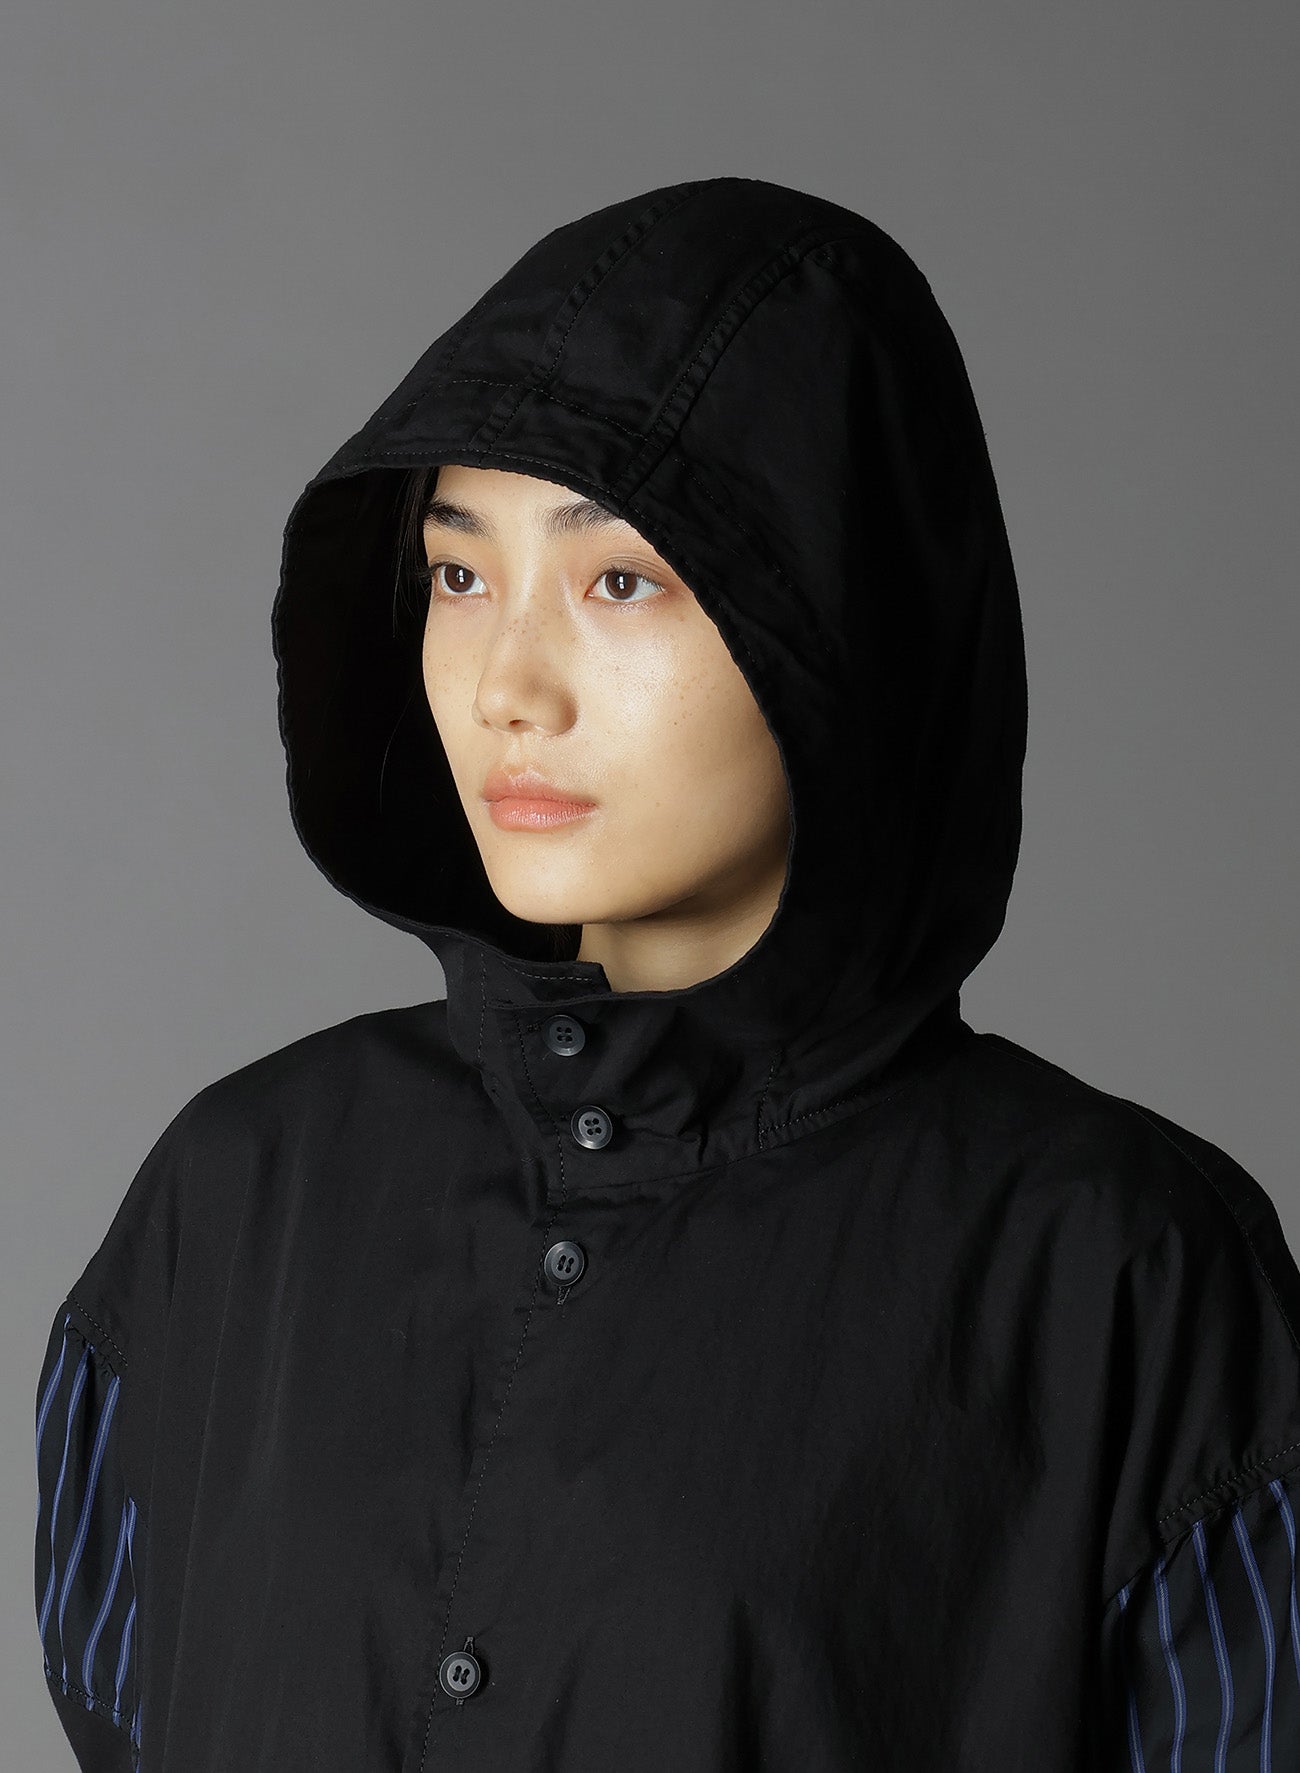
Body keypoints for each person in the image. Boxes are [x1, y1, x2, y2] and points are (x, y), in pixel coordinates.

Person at [33, 174, 1300, 1771]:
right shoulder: (233, 1199)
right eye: (458, 574)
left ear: (847, 621)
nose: (509, 684)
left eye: (620, 580)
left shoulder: (1122, 1273)